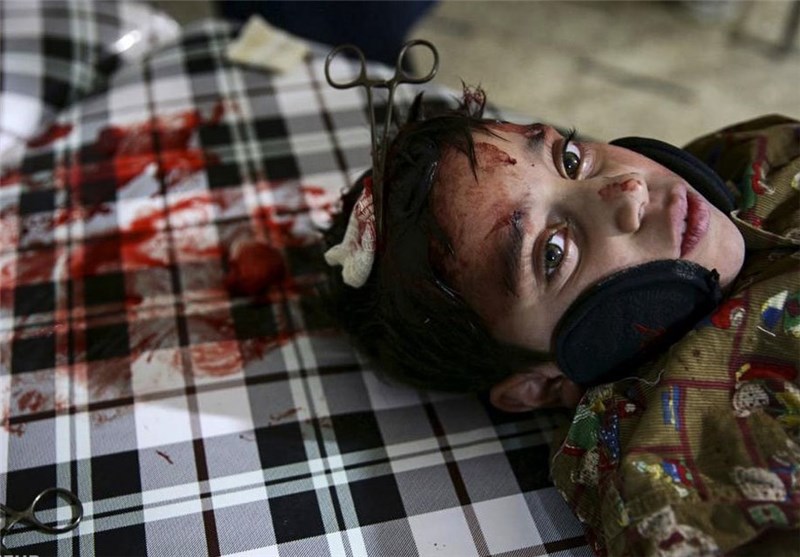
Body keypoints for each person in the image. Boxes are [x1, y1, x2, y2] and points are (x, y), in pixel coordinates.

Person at [323, 88, 799, 555]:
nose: (630, 190)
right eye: (553, 252)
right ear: (541, 386)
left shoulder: (748, 156)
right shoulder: (683, 488)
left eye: (570, 159)